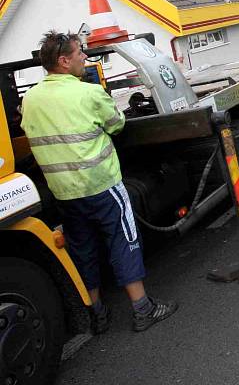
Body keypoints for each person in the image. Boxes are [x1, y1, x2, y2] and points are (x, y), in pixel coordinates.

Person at [20, 31, 177, 334]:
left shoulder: (31, 99)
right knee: (124, 241)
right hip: (102, 185)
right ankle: (143, 308)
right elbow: (117, 125)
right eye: (80, 52)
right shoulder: (88, 93)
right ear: (64, 61)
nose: (84, 57)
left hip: (64, 192)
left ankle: (96, 313)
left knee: (83, 249)